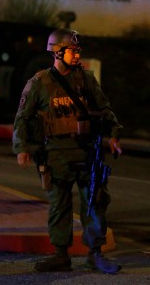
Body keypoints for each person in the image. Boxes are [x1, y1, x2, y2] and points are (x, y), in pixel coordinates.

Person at [12, 28, 123, 274]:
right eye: (72, 50)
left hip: (86, 150)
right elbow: (22, 118)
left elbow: (104, 108)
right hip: (55, 153)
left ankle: (95, 254)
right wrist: (22, 148)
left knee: (94, 201)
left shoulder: (85, 79)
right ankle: (61, 254)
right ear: (58, 52)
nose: (76, 54)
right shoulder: (39, 83)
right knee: (59, 206)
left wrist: (114, 134)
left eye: (77, 50)